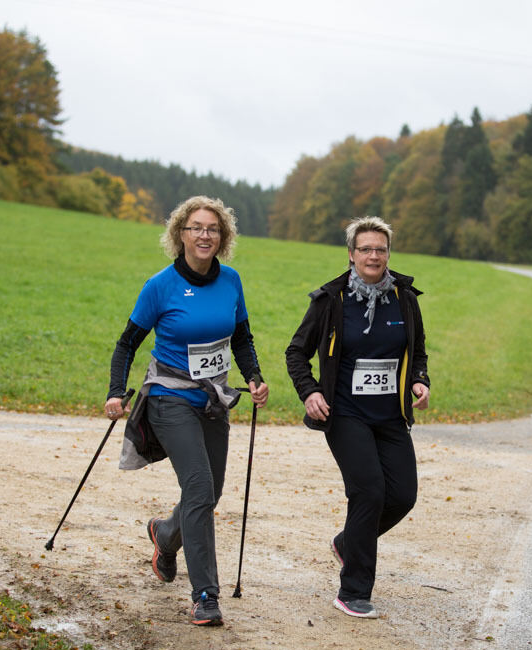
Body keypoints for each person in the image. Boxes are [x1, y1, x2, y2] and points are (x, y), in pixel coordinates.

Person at [104, 195, 268, 627]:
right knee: (198, 489)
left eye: (212, 228)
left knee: (209, 494)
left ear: (223, 237)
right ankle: (204, 595)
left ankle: (164, 534)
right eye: (196, 227)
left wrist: (253, 377)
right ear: (180, 234)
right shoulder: (160, 285)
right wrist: (116, 392)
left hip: (212, 399)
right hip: (168, 397)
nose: (204, 235)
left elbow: (242, 338)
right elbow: (127, 343)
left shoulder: (231, 281)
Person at [285, 216, 430, 620]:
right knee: (368, 491)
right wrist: (310, 391)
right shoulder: (331, 300)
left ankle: (349, 543)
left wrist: (419, 380)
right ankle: (354, 590)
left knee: (402, 496)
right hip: (345, 413)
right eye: (365, 249)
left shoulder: (404, 297)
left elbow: (417, 350)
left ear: (388, 254)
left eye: (380, 249)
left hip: (389, 416)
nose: (373, 255)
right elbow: (296, 353)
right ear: (351, 255)